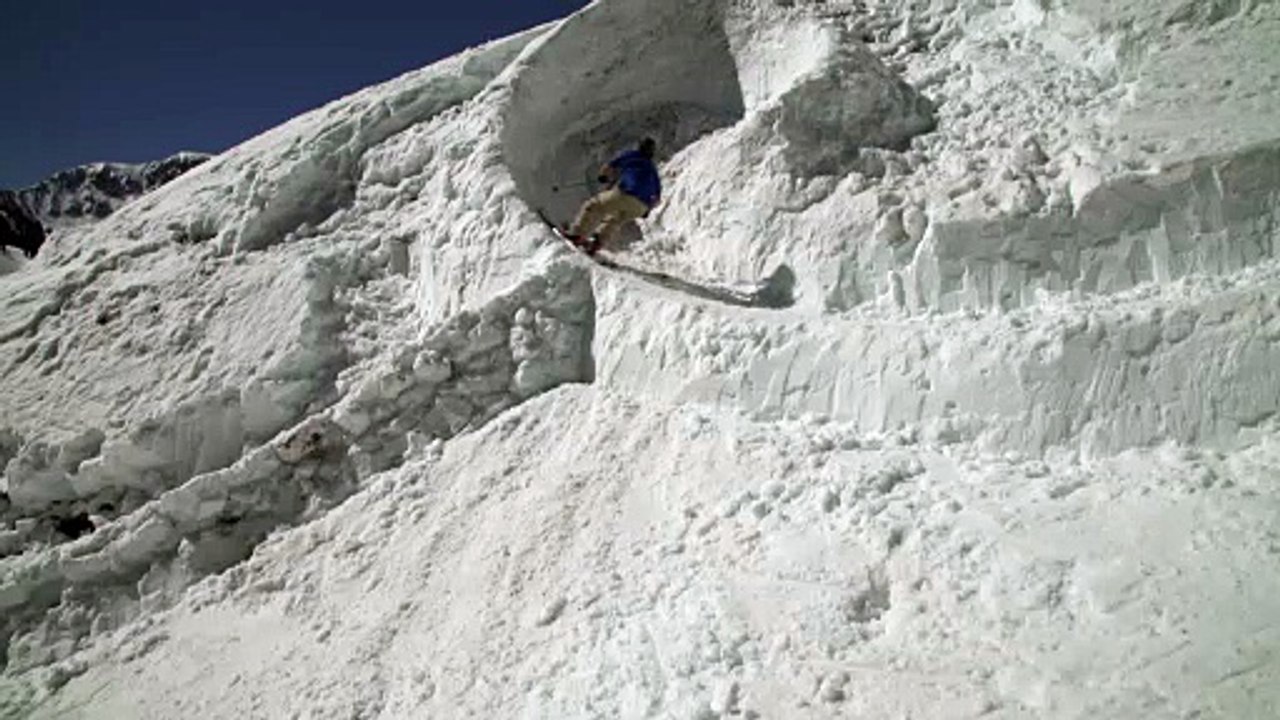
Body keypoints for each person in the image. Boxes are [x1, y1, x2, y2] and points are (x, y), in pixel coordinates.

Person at [564, 137, 661, 255]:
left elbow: (610, 166)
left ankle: (577, 235)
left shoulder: (633, 155)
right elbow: (657, 198)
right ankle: (597, 243)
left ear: (640, 147)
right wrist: (647, 210)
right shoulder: (652, 169)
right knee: (615, 220)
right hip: (642, 206)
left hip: (627, 193)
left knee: (593, 205)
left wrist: (602, 176)